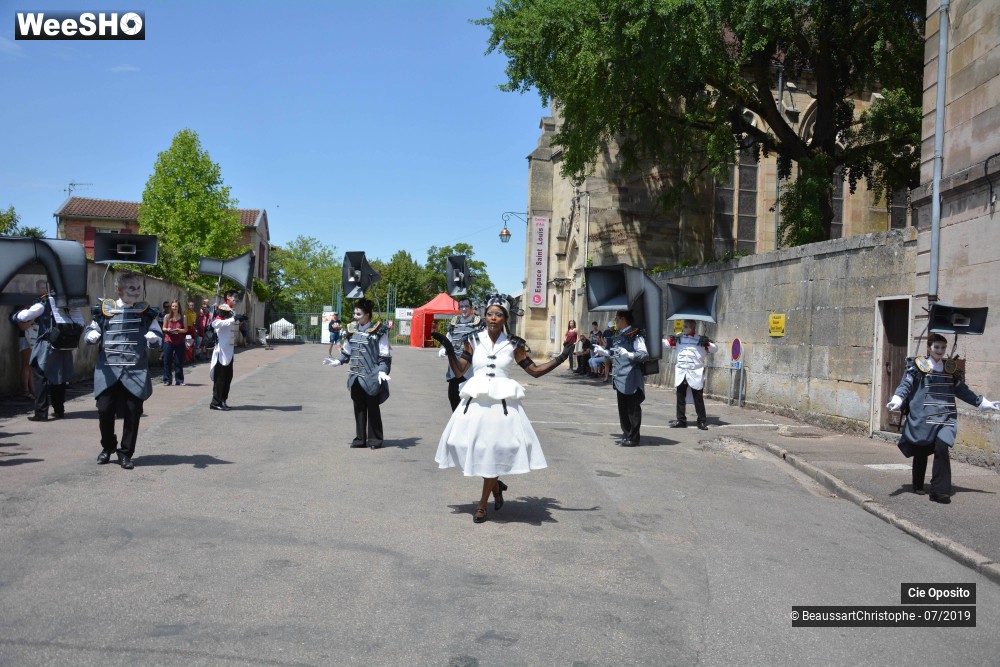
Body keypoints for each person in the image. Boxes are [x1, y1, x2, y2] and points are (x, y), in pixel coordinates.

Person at [432, 294, 574, 523]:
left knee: (494, 452)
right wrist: (450, 350)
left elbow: (534, 371)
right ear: (484, 315)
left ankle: (482, 505)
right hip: (475, 404)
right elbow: (459, 372)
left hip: (501, 408)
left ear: (506, 318)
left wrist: (560, 358)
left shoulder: (514, 344)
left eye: (498, 314)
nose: (493, 318)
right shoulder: (472, 339)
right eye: (489, 313)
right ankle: (496, 486)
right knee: (463, 445)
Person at [887, 333, 999, 503]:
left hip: (945, 418)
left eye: (943, 347)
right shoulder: (917, 366)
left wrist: (981, 402)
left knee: (941, 449)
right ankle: (917, 484)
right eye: (936, 347)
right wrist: (897, 399)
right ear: (929, 347)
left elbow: (962, 390)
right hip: (924, 417)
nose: (940, 350)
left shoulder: (950, 369)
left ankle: (940, 492)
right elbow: (906, 384)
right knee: (921, 450)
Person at [84, 272, 163, 469]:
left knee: (132, 412)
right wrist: (92, 335)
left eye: (137, 288)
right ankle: (108, 446)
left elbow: (158, 338)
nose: (136, 292)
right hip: (108, 370)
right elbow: (89, 333)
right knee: (104, 410)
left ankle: (126, 452)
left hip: (135, 371)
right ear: (118, 290)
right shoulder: (104, 310)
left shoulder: (146, 313)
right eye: (131, 288)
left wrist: (153, 338)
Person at [323, 298, 391, 449]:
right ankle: (360, 439)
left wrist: (382, 371)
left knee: (373, 408)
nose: (355, 316)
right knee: (358, 408)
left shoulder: (379, 330)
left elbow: (384, 356)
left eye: (358, 313)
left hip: (372, 376)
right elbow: (347, 351)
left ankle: (375, 440)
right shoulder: (352, 329)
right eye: (355, 313)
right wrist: (338, 361)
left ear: (367, 315)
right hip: (355, 376)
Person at [13, 280, 85, 421]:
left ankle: (41, 412)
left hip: (47, 344)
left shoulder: (45, 303)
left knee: (40, 375)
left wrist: (15, 316)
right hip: (65, 344)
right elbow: (80, 322)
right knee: (59, 377)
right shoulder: (71, 303)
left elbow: (25, 316)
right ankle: (59, 410)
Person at [592, 311, 648, 446]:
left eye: (616, 319)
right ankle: (626, 433)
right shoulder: (618, 335)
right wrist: (604, 351)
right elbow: (615, 352)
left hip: (631, 376)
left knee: (632, 409)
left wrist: (628, 354)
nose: (615, 321)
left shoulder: (636, 335)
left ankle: (634, 437)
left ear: (623, 319)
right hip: (619, 376)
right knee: (622, 408)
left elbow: (644, 354)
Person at [664, 319, 718, 430]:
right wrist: (658, 336)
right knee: (680, 398)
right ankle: (681, 420)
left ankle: (702, 421)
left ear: (693, 327)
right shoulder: (678, 339)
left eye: (687, 326)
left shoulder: (701, 340)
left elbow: (714, 349)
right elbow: (665, 344)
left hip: (695, 373)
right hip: (681, 372)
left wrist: (707, 343)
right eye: (684, 326)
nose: (684, 328)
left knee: (698, 399)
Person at [439, 297, 483, 410]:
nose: (464, 309)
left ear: (471, 308)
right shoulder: (454, 323)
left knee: (469, 400)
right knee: (453, 396)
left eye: (466, 306)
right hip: (454, 365)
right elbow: (448, 339)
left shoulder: (477, 324)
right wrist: (443, 349)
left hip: (470, 367)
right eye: (461, 306)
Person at [209, 291, 242, 410]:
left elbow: (231, 325)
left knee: (228, 377)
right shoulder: (222, 308)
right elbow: (215, 323)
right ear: (228, 297)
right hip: (222, 349)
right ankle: (215, 402)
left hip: (230, 349)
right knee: (220, 377)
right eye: (234, 297)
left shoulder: (232, 310)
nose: (236, 299)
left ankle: (223, 400)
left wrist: (239, 319)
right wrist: (233, 320)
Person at [161, 300, 188, 386]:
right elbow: (163, 328)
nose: (174, 308)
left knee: (178, 361)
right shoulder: (167, 317)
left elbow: (186, 329)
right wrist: (168, 329)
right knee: (167, 360)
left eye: (176, 306)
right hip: (168, 340)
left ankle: (179, 380)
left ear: (178, 307)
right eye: (173, 306)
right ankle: (167, 379)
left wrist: (179, 330)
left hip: (179, 341)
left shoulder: (183, 317)